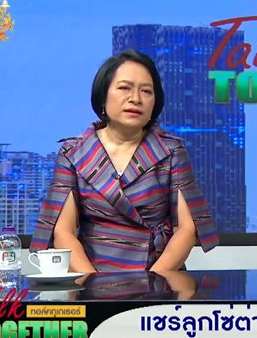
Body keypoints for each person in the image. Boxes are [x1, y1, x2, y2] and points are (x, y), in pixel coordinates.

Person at [30, 49, 219, 273]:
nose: (135, 99)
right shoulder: (74, 153)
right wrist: (93, 283)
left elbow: (186, 230)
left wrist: (153, 283)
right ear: (103, 96)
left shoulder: (171, 151)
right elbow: (64, 232)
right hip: (90, 276)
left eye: (146, 91)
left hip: (159, 276)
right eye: (124, 88)